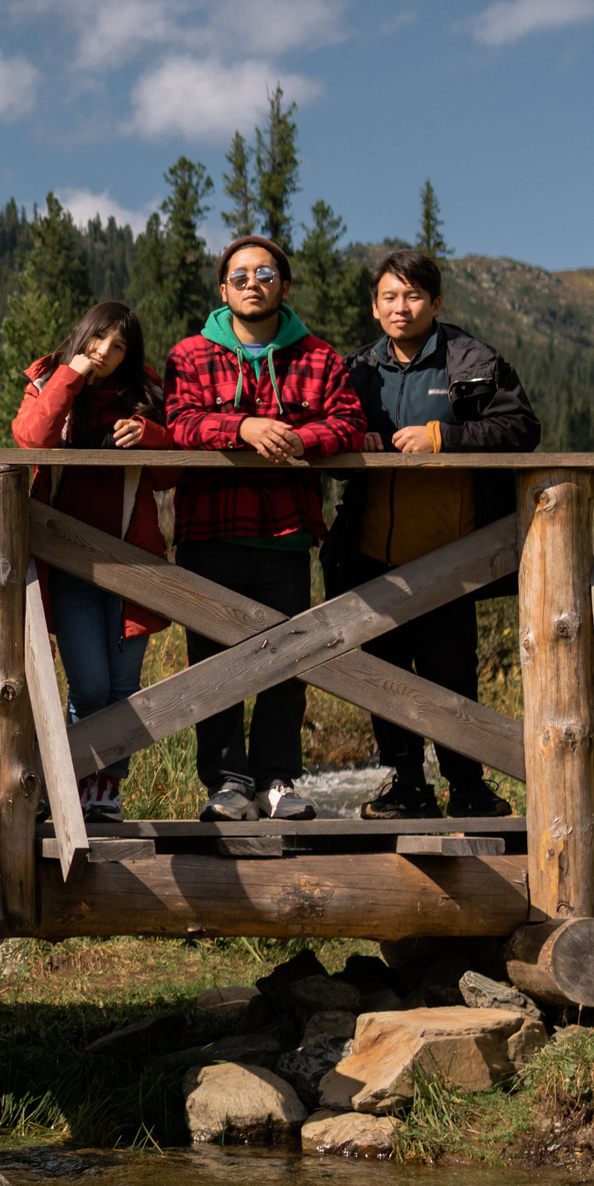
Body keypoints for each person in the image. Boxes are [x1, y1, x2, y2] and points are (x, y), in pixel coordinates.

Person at [164, 235, 368, 824]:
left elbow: (349, 424)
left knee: (288, 663)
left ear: (284, 284)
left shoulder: (319, 358)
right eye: (241, 275)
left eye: (266, 273)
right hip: (209, 533)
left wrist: (303, 439)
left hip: (286, 536)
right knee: (213, 664)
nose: (253, 283)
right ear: (223, 289)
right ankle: (227, 783)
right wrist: (245, 427)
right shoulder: (191, 355)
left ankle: (278, 780)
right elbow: (180, 423)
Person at [331, 248, 537, 820]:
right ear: (375, 308)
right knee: (384, 679)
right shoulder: (355, 371)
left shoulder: (472, 359)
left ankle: (467, 787)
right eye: (390, 297)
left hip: (451, 556)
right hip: (372, 556)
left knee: (452, 678)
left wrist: (443, 439)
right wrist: (355, 440)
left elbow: (521, 428)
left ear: (436, 303)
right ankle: (407, 787)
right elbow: (328, 426)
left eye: (414, 295)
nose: (402, 307)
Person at [11, 300, 179, 823]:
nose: (105, 352)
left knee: (124, 686)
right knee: (89, 686)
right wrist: (72, 373)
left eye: (119, 346)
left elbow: (175, 473)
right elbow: (31, 438)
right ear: (82, 334)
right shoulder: (48, 381)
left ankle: (105, 792)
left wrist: (150, 436)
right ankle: (77, 784)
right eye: (98, 339)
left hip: (134, 565)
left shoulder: (147, 396)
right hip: (70, 567)